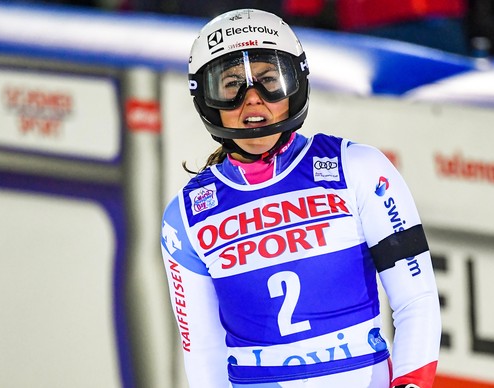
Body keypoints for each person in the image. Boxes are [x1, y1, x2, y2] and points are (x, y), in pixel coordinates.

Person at [160, 8, 441, 388]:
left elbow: (417, 300)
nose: (253, 99)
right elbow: (203, 354)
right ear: (207, 100)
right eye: (231, 85)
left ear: (296, 85)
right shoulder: (185, 217)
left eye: (269, 80)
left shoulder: (358, 169)